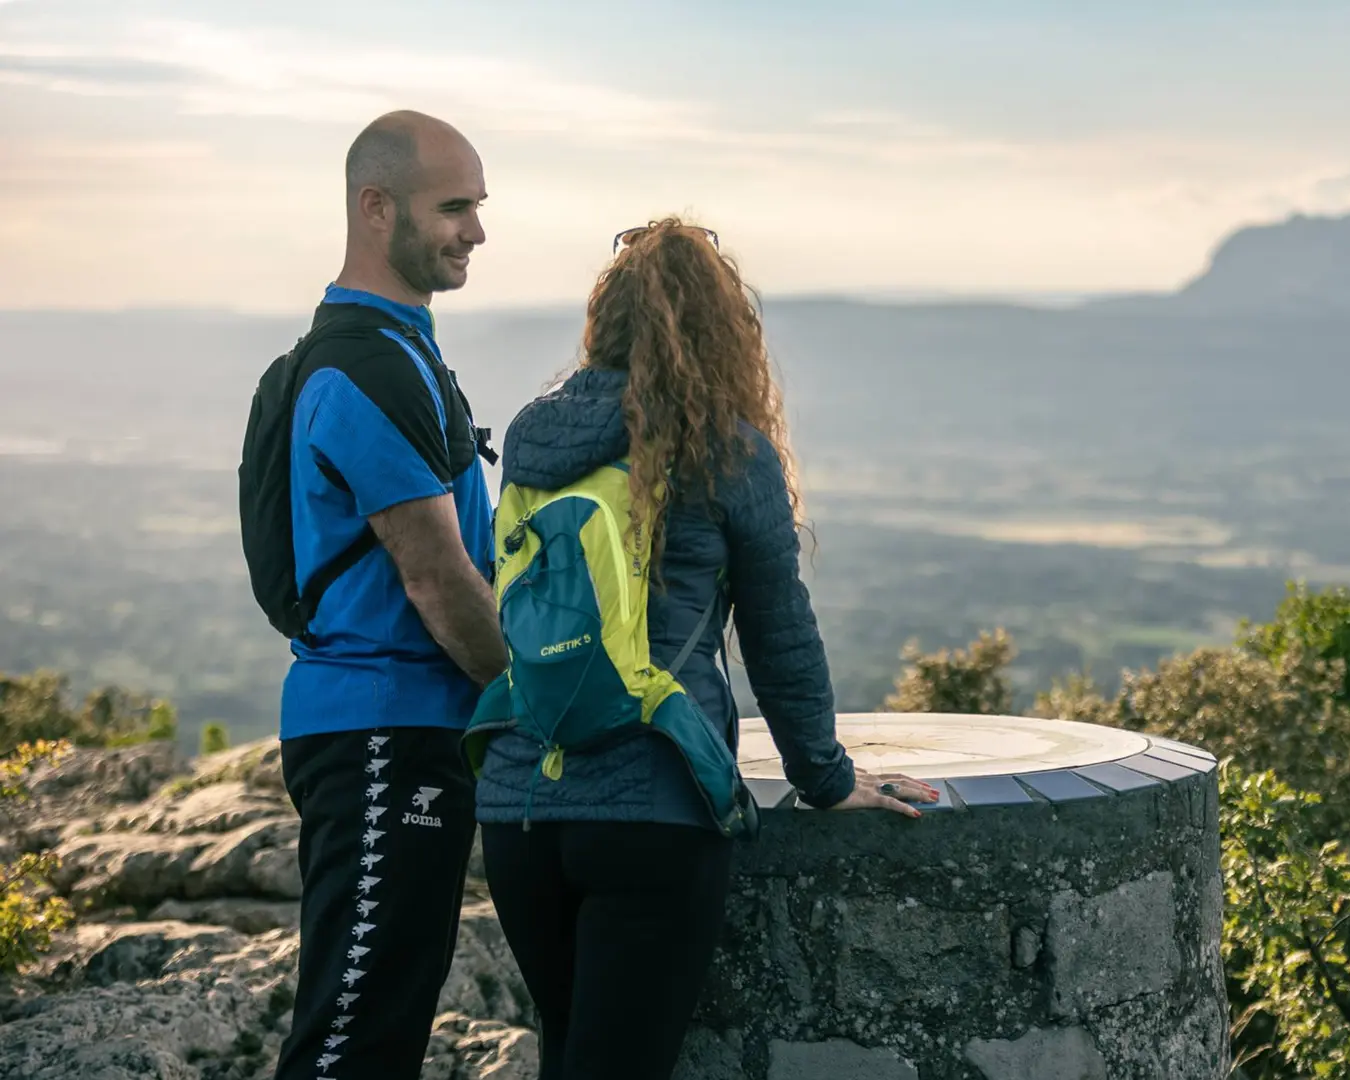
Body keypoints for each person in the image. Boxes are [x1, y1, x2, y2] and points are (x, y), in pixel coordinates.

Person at [473, 219, 938, 1080]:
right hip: (654, 799)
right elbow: (778, 634)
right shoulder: (724, 451)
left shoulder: (535, 439)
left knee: (569, 1051)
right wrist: (827, 778)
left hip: (519, 802)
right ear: (725, 335)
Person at [274, 111, 505, 1080]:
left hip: (405, 733)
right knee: (353, 1040)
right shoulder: (366, 369)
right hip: (381, 733)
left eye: (479, 208)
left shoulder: (397, 348)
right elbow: (439, 582)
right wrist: (537, 704)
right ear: (376, 209)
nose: (477, 232)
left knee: (386, 1021)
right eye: (454, 207)